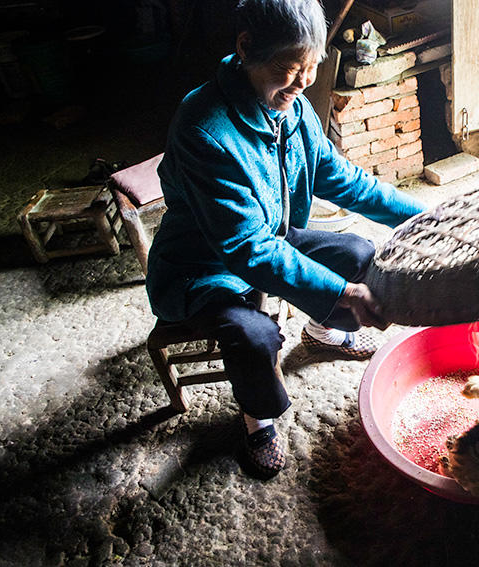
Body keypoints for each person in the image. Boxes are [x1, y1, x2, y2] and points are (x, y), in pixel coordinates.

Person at [145, 0, 427, 479]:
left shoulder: (290, 109)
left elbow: (341, 178)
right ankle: (259, 419)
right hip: (204, 264)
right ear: (246, 49)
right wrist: (340, 293)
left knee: (358, 252)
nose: (301, 84)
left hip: (272, 230)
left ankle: (322, 330)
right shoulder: (203, 129)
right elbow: (246, 249)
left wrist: (422, 216)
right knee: (253, 335)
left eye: (311, 69)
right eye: (289, 69)